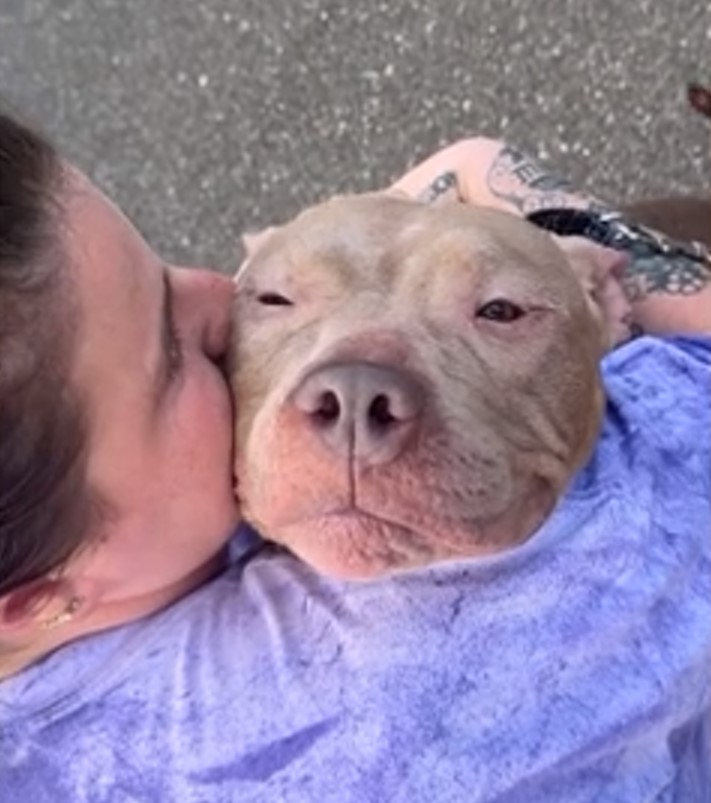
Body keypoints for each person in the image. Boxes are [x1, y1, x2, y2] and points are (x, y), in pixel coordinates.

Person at [0, 109, 709, 802]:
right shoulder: (470, 652)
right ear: (33, 602)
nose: (225, 290)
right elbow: (473, 163)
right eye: (173, 354)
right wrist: (570, 259)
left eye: (266, 297)